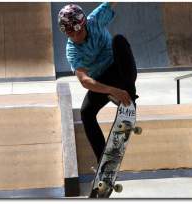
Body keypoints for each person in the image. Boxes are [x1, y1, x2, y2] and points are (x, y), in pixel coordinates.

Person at [58, 2, 138, 163]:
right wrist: (112, 91)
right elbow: (85, 80)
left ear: (83, 23)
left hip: (121, 69)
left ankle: (129, 100)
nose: (74, 37)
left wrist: (121, 90)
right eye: (69, 34)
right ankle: (104, 163)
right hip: (103, 81)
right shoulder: (72, 50)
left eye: (76, 32)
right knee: (86, 113)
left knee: (118, 40)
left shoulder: (95, 19)